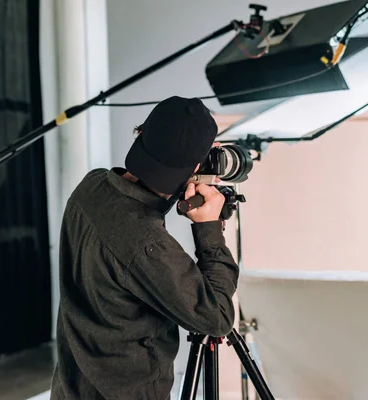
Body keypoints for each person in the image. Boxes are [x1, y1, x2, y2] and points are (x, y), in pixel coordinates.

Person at [50, 96, 240, 399]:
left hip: (71, 387)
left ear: (141, 134)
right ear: (196, 166)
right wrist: (209, 229)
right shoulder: (147, 245)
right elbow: (216, 318)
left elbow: (128, 219)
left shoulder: (91, 186)